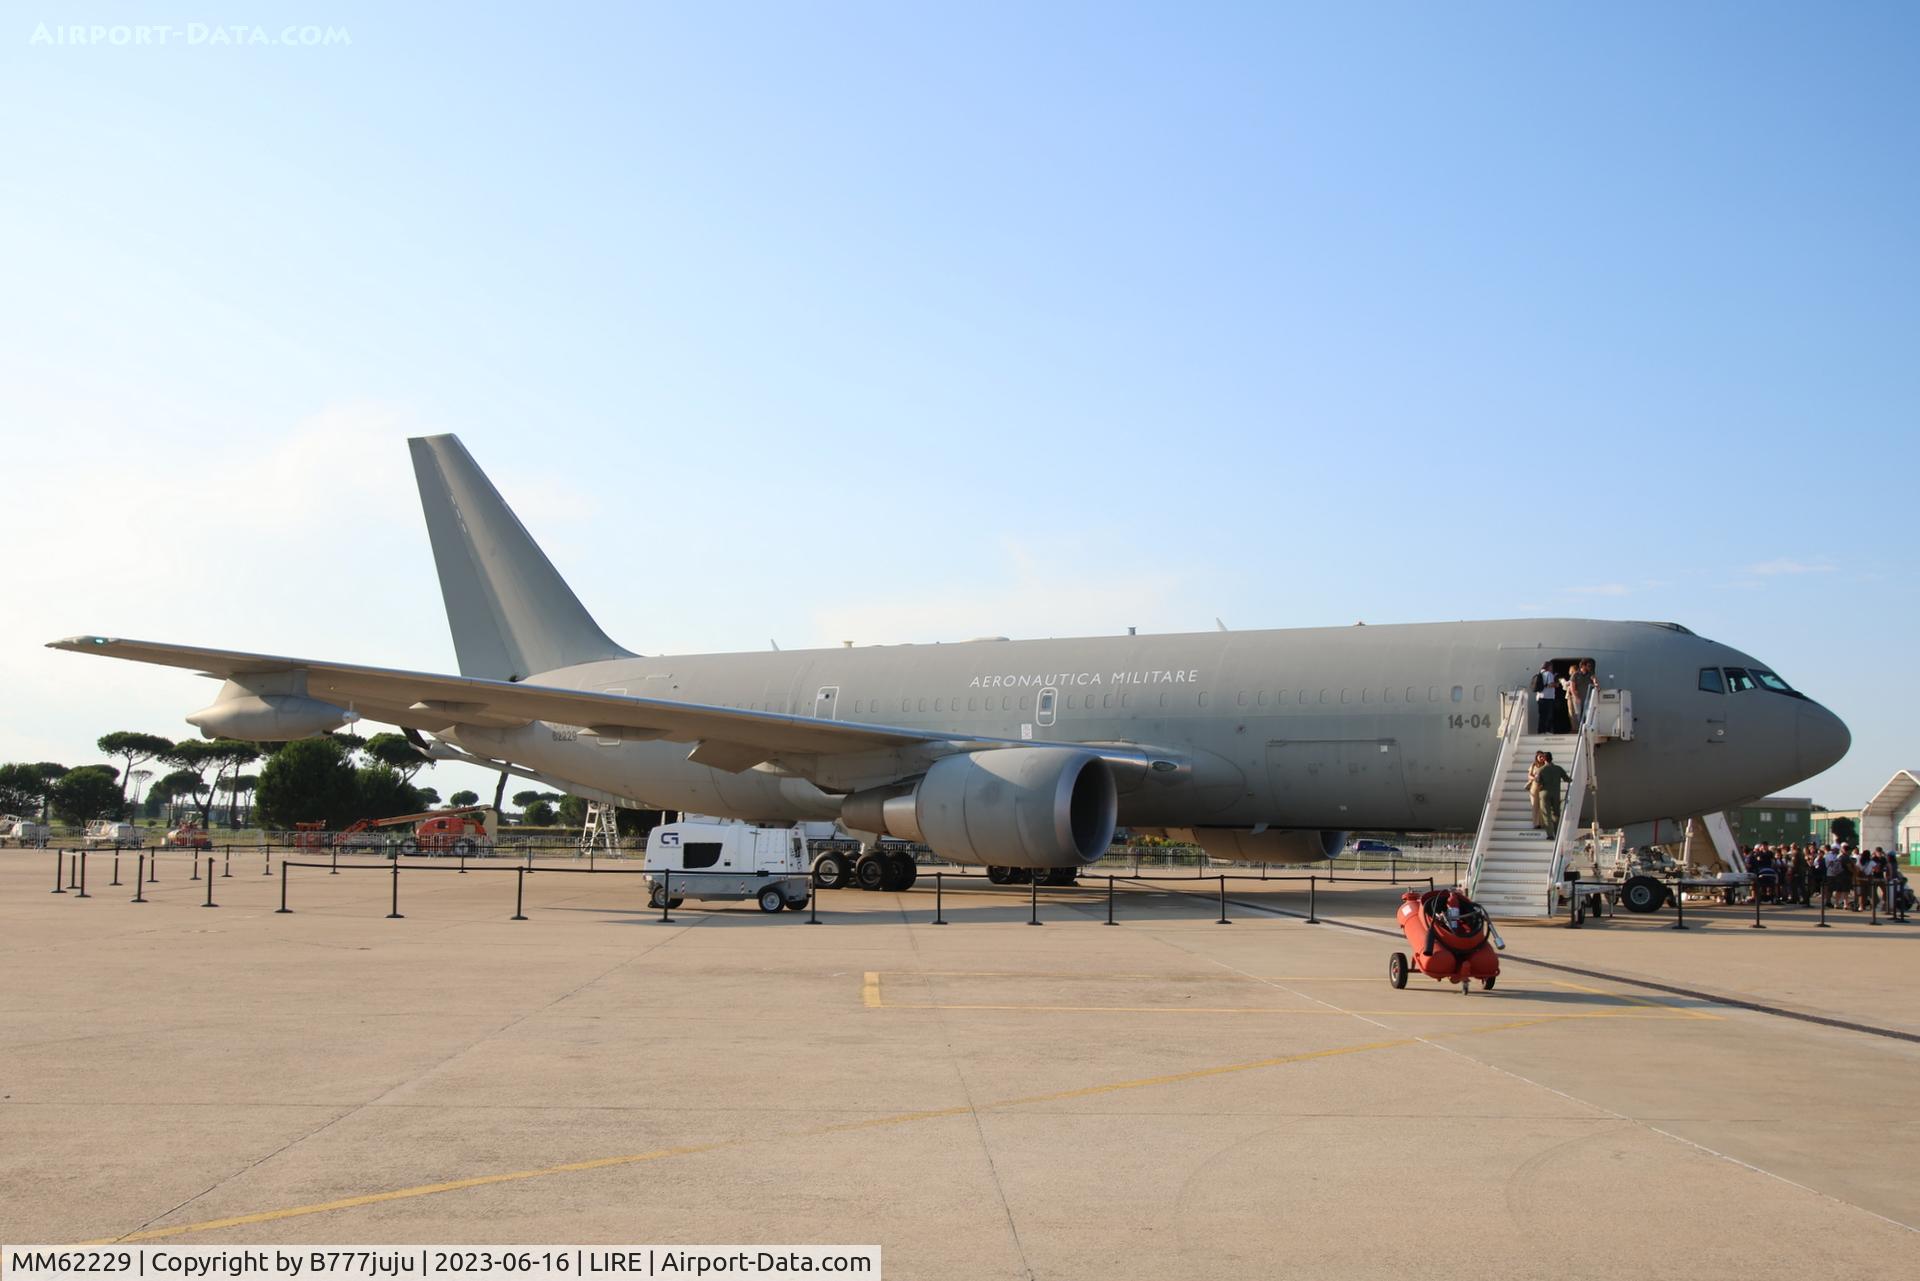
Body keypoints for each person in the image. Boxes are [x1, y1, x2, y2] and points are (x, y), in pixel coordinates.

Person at [1535, 752, 1570, 837]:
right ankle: (1557, 833)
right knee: (1556, 814)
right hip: (1556, 794)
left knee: (1546, 814)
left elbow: (1538, 782)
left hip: (1544, 793)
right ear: (1552, 759)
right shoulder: (1558, 768)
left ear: (1544, 759)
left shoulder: (1541, 770)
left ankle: (1550, 835)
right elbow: (1567, 779)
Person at [1567, 659, 1598, 730]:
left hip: (1588, 697)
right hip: (1579, 698)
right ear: (1583, 666)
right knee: (1579, 714)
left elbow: (1594, 679)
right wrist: (1576, 697)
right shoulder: (1575, 675)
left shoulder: (1590, 674)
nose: (1589, 667)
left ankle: (1585, 728)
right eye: (1588, 666)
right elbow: (1572, 687)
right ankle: (1580, 728)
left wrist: (1595, 683)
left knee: (1587, 712)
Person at [1532, 662, 1558, 734]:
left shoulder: (1540, 673)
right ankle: (1547, 731)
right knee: (1548, 716)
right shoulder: (1549, 674)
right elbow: (1550, 684)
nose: (1552, 668)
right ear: (1548, 667)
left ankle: (1540, 731)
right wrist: (1556, 684)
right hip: (1548, 698)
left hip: (1540, 698)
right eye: (1551, 666)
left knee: (1542, 716)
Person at [1526, 750, 1549, 831]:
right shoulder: (1533, 765)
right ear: (1536, 757)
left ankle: (1543, 823)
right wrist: (1535, 778)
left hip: (1543, 787)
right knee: (1535, 806)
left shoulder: (1546, 765)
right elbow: (1529, 775)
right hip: (1534, 787)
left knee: (1542, 805)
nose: (1542, 758)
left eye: (1543, 756)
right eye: (1540, 756)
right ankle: (1536, 824)